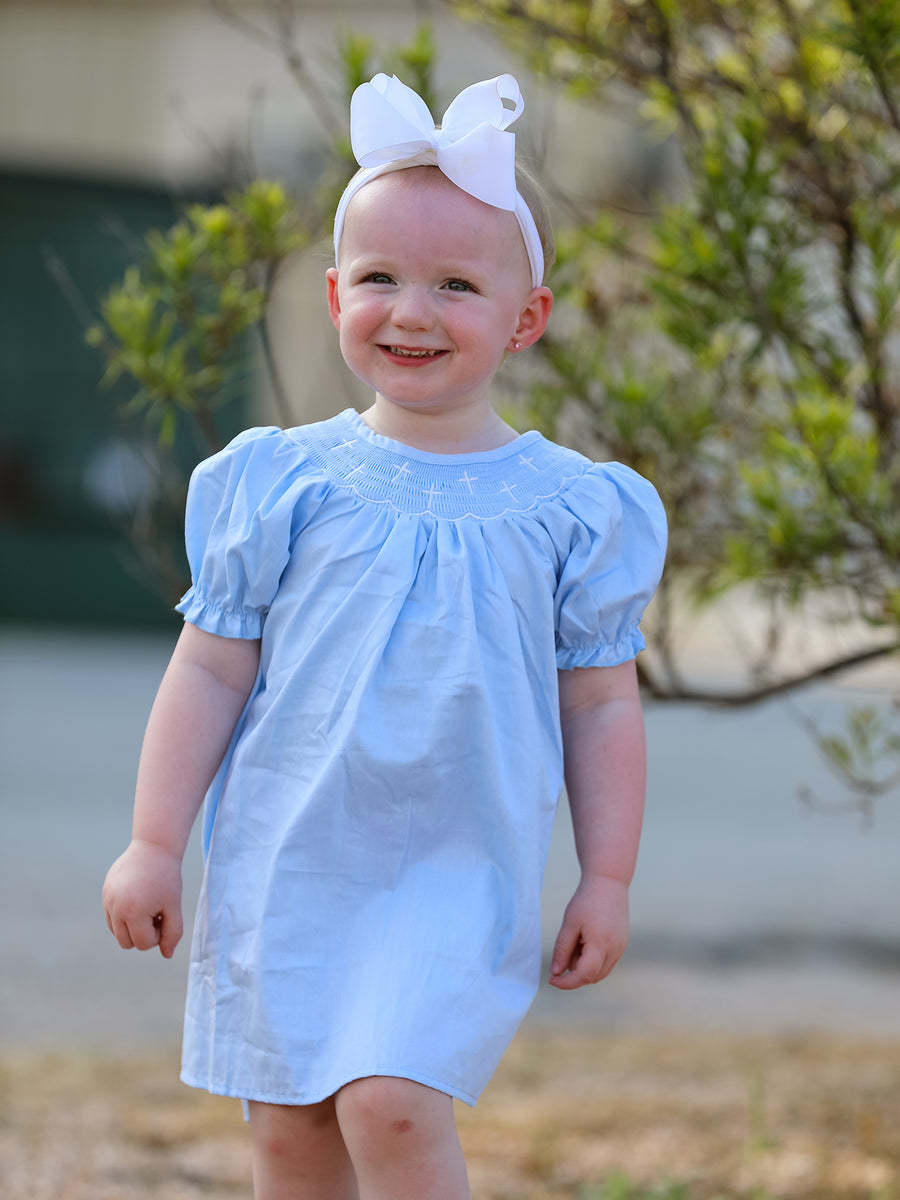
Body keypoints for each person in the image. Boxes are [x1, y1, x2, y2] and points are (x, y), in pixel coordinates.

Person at [102, 72, 667, 1200]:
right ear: (331, 296)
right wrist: (157, 842)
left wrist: (606, 877)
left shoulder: (568, 507)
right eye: (380, 279)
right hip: (293, 853)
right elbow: (210, 670)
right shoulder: (283, 481)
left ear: (526, 320)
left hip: (457, 864)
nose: (411, 312)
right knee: (295, 1130)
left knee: (391, 1100)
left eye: (457, 284)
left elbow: (600, 700)